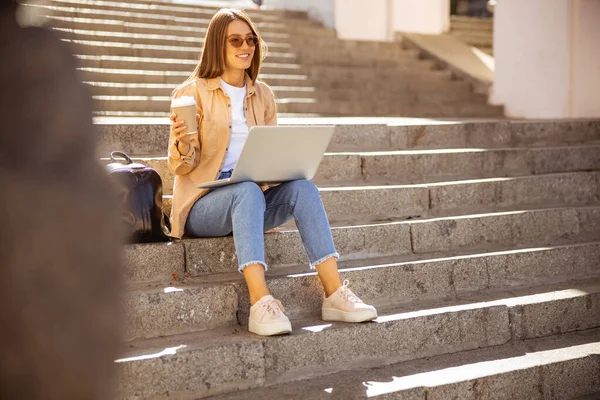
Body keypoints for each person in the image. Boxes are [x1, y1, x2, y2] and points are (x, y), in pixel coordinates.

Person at [168, 8, 377, 336]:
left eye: (250, 39)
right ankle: (260, 302)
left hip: (251, 197)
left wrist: (285, 165)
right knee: (247, 190)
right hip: (204, 205)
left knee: (303, 188)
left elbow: (269, 157)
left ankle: (335, 293)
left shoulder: (262, 95)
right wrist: (182, 143)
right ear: (216, 46)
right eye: (235, 39)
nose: (245, 46)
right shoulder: (191, 93)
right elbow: (180, 167)